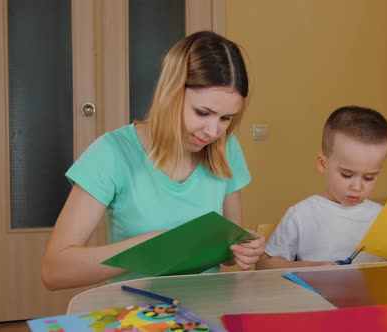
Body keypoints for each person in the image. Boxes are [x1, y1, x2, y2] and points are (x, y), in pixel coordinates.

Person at [42, 31, 264, 290]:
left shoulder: (226, 149)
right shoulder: (112, 153)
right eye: (202, 112)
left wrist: (244, 248)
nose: (213, 132)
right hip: (138, 314)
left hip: (207, 308)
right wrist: (148, 248)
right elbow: (54, 271)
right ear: (170, 93)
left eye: (226, 118)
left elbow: (226, 254)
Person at [256, 106, 387, 270]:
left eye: (369, 177)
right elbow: (263, 266)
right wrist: (314, 267)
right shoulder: (301, 215)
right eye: (347, 175)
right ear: (323, 164)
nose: (357, 187)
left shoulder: (384, 217)